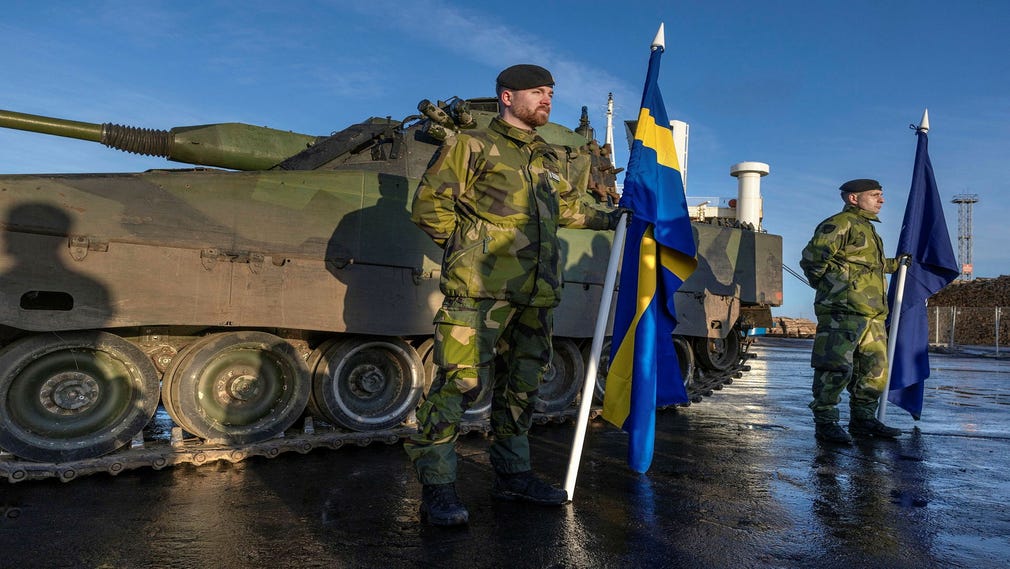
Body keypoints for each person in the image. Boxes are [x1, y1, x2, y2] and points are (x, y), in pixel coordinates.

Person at [405, 64, 625, 526]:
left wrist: (620, 218)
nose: (547, 99)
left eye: (550, 92)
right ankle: (438, 488)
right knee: (458, 386)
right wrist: (470, 251)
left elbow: (570, 209)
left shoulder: (545, 159)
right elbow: (430, 206)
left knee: (521, 390)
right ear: (507, 97)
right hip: (481, 293)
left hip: (537, 296)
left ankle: (512, 475)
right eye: (537, 92)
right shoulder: (472, 145)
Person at [799, 178, 905, 444]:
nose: (881, 200)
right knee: (834, 367)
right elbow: (813, 258)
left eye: (881, 194)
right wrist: (831, 287)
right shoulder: (841, 223)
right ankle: (826, 422)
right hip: (843, 310)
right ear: (853, 198)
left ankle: (863, 419)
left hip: (873, 312)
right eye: (875, 195)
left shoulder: (868, 228)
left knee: (875, 370)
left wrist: (898, 265)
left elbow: (870, 266)